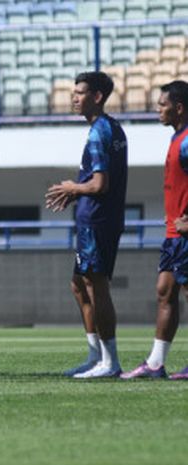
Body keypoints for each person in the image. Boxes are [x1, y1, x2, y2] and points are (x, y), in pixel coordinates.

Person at [46, 71, 127, 379]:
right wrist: (75, 193)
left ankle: (110, 361)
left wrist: (73, 189)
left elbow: (99, 184)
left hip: (97, 220)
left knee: (96, 286)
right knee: (79, 285)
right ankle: (96, 355)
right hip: (96, 219)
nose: (74, 97)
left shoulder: (99, 132)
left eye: (80, 93)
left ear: (96, 97)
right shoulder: (111, 128)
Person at [121, 80, 188, 380]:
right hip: (175, 235)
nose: (157, 109)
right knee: (165, 291)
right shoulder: (177, 139)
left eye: (162, 104)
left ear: (179, 108)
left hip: (185, 234)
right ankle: (155, 363)